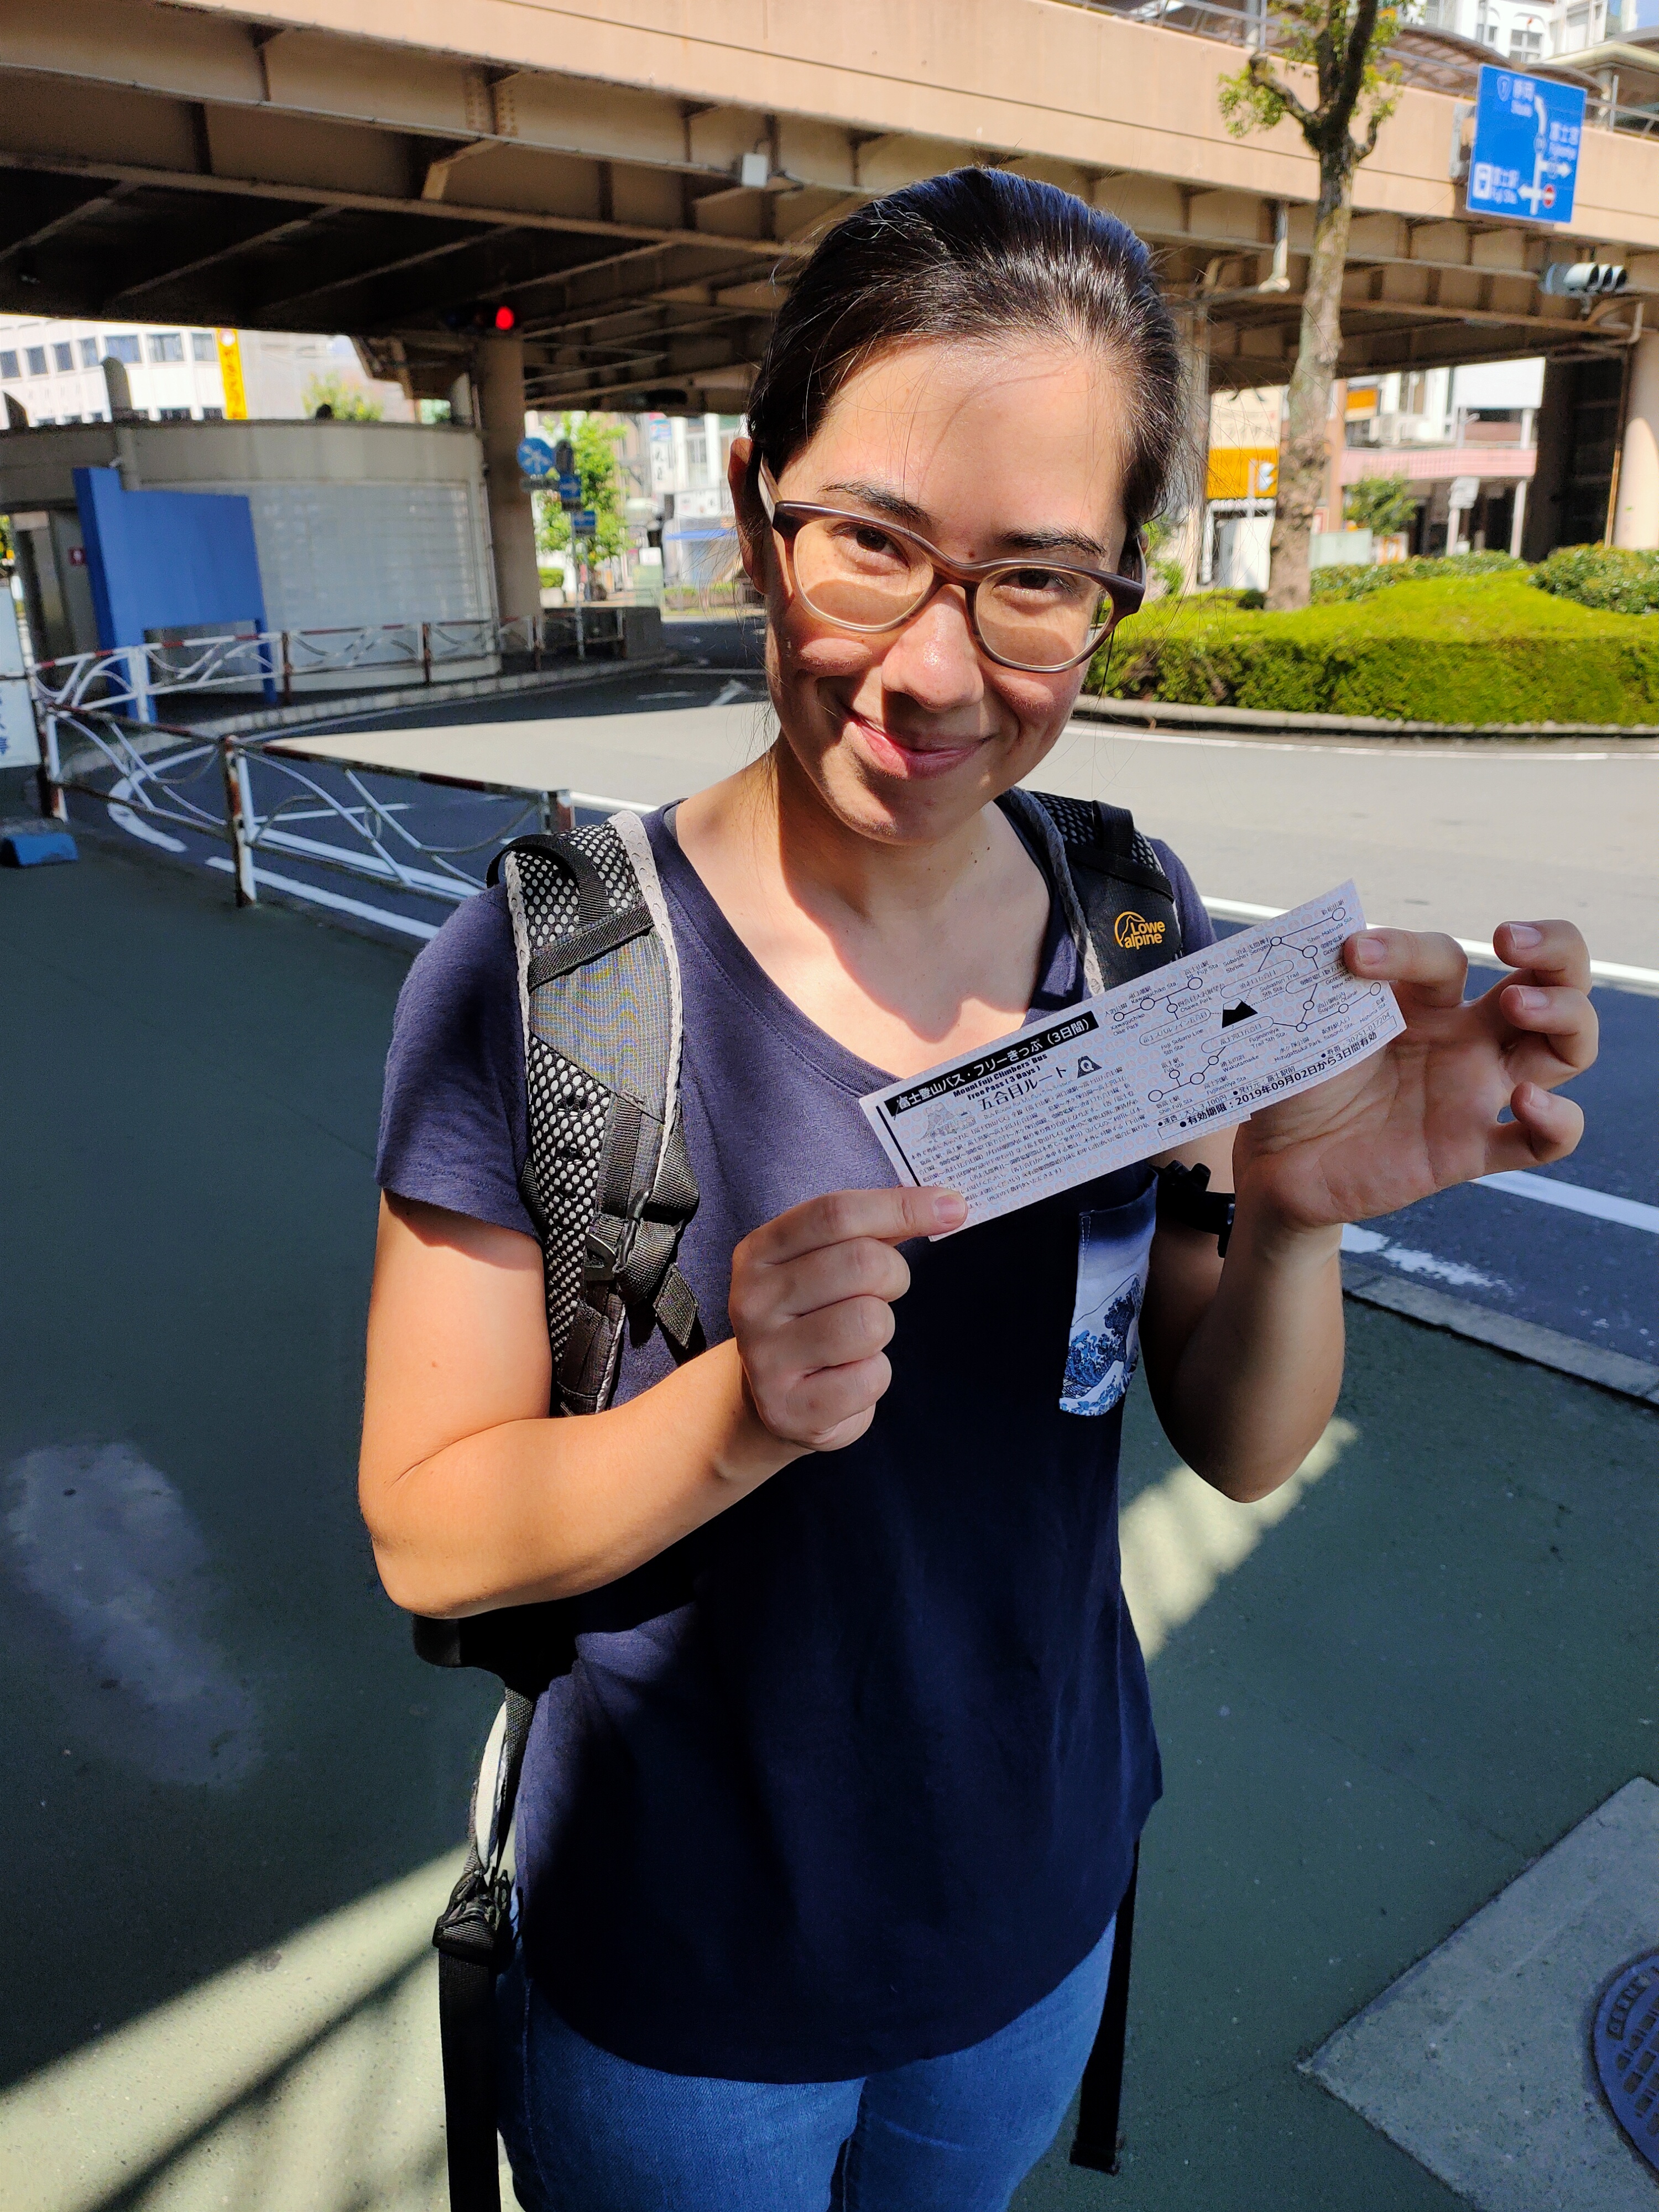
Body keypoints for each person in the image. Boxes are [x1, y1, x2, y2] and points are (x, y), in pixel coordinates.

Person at [359, 169, 1597, 2212]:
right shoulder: (555, 968)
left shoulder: (1129, 921)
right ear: (756, 508)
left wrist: (1298, 1217)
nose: (933, 670)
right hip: (684, 1969)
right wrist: (736, 1411)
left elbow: (1230, 1435)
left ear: (1111, 593)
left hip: (1036, 1907)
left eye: (1034, 580)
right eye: (871, 544)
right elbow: (429, 1526)